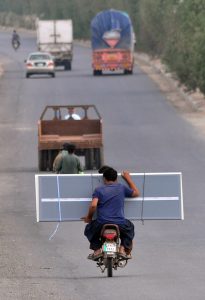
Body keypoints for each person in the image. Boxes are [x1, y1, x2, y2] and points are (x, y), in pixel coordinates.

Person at [82, 167, 140, 260]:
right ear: (116, 178)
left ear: (104, 178)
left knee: (88, 230)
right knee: (130, 228)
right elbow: (136, 193)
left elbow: (93, 205)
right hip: (120, 223)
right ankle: (122, 249)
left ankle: (97, 250)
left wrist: (89, 217)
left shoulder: (98, 190)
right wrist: (128, 178)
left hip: (102, 223)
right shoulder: (122, 188)